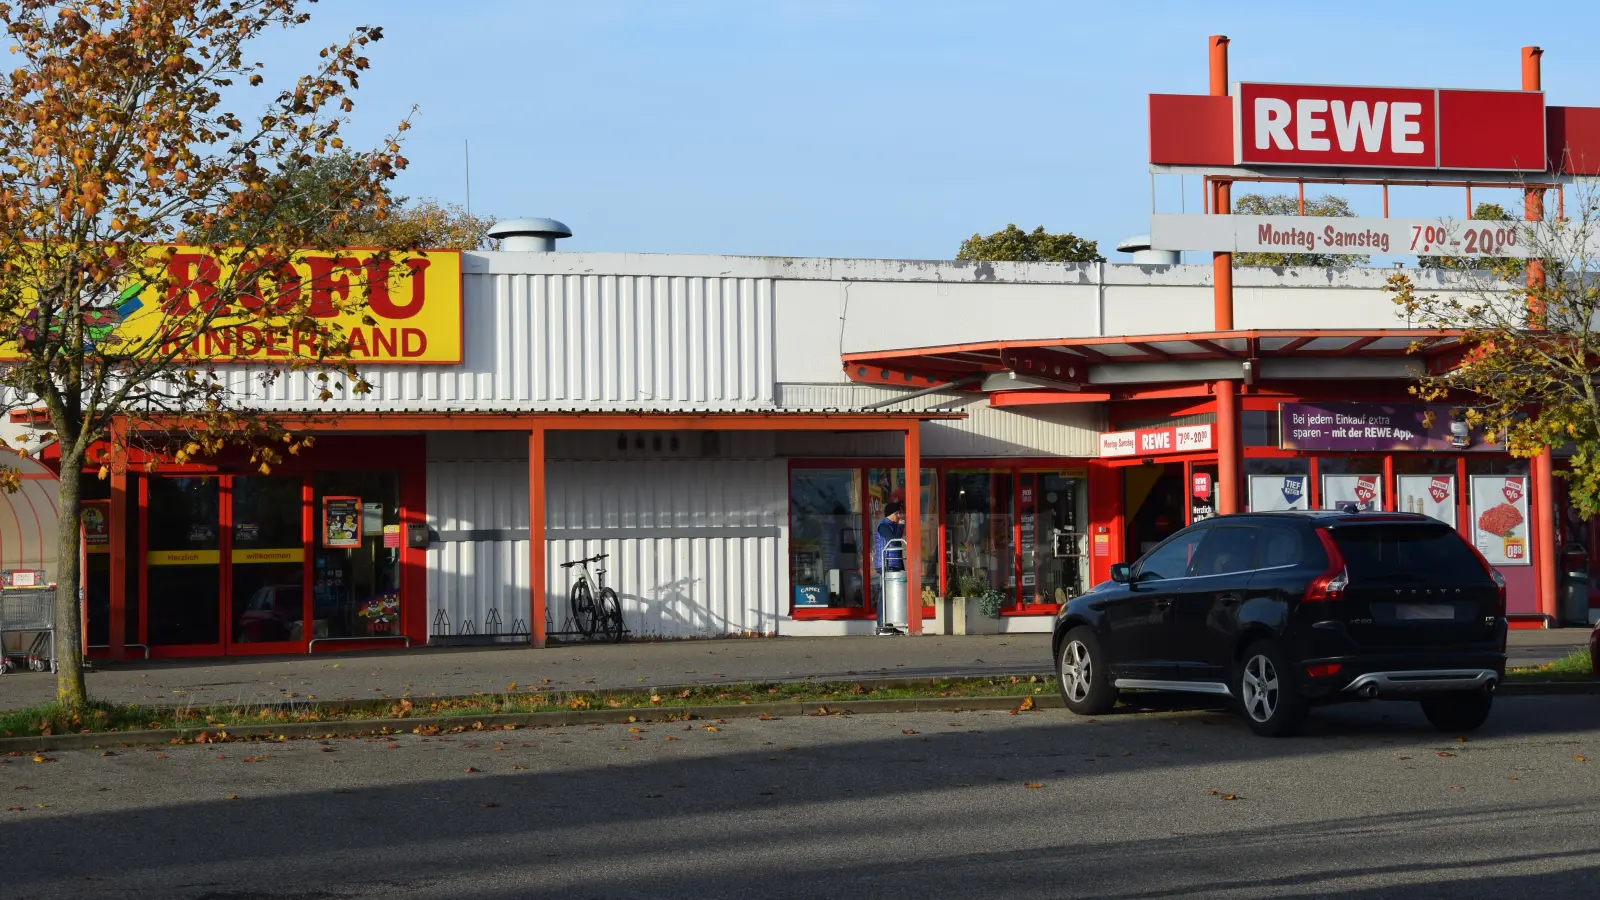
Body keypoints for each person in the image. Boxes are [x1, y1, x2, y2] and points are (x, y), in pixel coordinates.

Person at [874, 501, 906, 573]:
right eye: (896, 513)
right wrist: (900, 526)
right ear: (890, 514)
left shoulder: (893, 525)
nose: (899, 516)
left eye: (899, 513)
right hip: (887, 564)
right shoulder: (883, 526)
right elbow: (894, 542)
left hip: (894, 563)